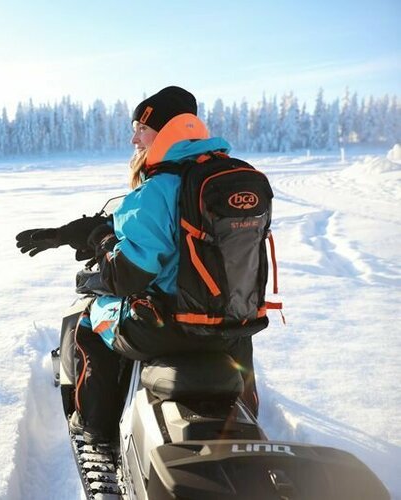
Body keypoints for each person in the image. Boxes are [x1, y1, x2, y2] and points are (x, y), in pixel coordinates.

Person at [16, 86, 258, 443]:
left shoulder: (157, 189)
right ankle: (250, 414)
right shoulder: (221, 179)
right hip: (232, 326)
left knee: (91, 320)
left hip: (169, 327)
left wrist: (103, 243)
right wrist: (72, 232)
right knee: (237, 337)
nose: (134, 139)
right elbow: (159, 225)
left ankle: (94, 427)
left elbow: (125, 277)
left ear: (167, 131)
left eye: (141, 129)